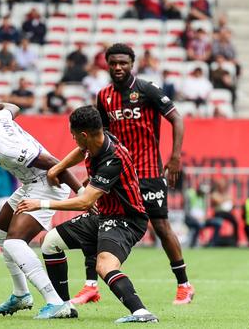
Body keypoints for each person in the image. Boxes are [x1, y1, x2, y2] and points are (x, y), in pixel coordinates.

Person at [18, 106, 159, 323]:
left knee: (104, 266)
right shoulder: (99, 138)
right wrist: (57, 168)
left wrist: (41, 203)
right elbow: (81, 151)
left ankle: (141, 313)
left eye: (74, 135)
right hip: (104, 214)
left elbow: (85, 201)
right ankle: (62, 307)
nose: (73, 139)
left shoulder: (113, 159)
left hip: (126, 220)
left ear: (83, 135)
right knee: (49, 242)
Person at [79, 43, 193, 305]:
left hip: (149, 171)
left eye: (123, 63)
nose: (118, 67)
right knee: (99, 221)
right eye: (113, 63)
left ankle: (184, 285)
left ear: (132, 64)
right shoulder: (103, 96)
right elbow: (101, 138)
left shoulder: (147, 90)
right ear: (106, 65)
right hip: (117, 172)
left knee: (161, 226)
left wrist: (175, 157)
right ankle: (90, 286)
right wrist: (94, 170)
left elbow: (178, 119)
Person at [0, 102, 81, 318]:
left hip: (46, 185)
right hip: (31, 184)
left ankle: (56, 302)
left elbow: (53, 162)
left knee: (14, 241)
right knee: (0, 229)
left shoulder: (4, 147)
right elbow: (13, 107)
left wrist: (82, 192)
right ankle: (21, 294)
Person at [184, 182, 208, 248]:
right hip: (190, 218)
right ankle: (193, 244)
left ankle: (212, 244)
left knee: (217, 223)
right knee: (198, 225)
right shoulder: (191, 195)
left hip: (201, 219)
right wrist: (196, 218)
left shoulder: (203, 198)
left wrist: (203, 218)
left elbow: (205, 210)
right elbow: (187, 211)